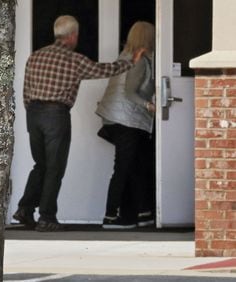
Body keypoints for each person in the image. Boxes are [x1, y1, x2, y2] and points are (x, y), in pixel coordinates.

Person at [13, 15, 145, 232]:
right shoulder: (73, 60)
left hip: (34, 114)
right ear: (73, 36)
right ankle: (47, 217)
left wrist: (33, 110)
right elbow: (105, 70)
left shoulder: (35, 57)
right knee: (55, 167)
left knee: (41, 164)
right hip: (56, 115)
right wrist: (131, 62)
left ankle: (25, 209)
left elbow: (26, 91)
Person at [95, 21, 156, 229]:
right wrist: (149, 105)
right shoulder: (138, 60)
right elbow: (130, 92)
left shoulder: (125, 56)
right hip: (125, 119)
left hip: (117, 117)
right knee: (123, 168)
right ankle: (111, 216)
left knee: (136, 165)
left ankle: (143, 212)